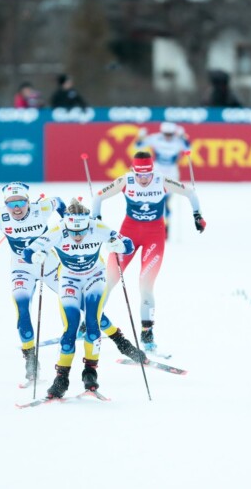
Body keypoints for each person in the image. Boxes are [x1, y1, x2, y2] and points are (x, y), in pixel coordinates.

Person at [91, 151, 206, 352]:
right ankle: (91, 322)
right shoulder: (126, 180)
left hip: (154, 236)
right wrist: (96, 219)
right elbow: (98, 197)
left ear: (153, 171)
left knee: (145, 284)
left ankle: (147, 332)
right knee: (109, 279)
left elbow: (190, 193)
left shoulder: (162, 180)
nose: (143, 179)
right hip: (128, 235)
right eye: (139, 175)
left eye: (147, 175)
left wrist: (197, 216)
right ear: (133, 171)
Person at [22, 199, 135, 398]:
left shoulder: (96, 226)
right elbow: (28, 251)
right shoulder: (58, 230)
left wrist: (121, 246)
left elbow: (129, 244)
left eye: (81, 231)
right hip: (69, 279)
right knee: (70, 330)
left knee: (92, 325)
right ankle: (61, 378)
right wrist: (34, 257)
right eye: (73, 232)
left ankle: (90, 372)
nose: (77, 236)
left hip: (95, 277)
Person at [0, 183, 65, 381]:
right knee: (22, 310)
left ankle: (87, 326)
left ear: (28, 201)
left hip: (48, 264)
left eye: (21, 202)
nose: (16, 208)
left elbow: (59, 202)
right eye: (11, 203)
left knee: (74, 299)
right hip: (21, 268)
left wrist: (66, 220)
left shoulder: (42, 208)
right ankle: (30, 358)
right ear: (5, 204)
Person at [135, 122, 191, 237]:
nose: (168, 137)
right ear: (162, 132)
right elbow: (138, 145)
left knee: (165, 200)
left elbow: (188, 148)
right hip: (157, 170)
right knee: (153, 198)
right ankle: (152, 225)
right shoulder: (155, 138)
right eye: (166, 134)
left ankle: (165, 226)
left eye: (170, 134)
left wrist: (183, 137)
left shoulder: (178, 141)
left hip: (172, 173)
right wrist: (140, 136)